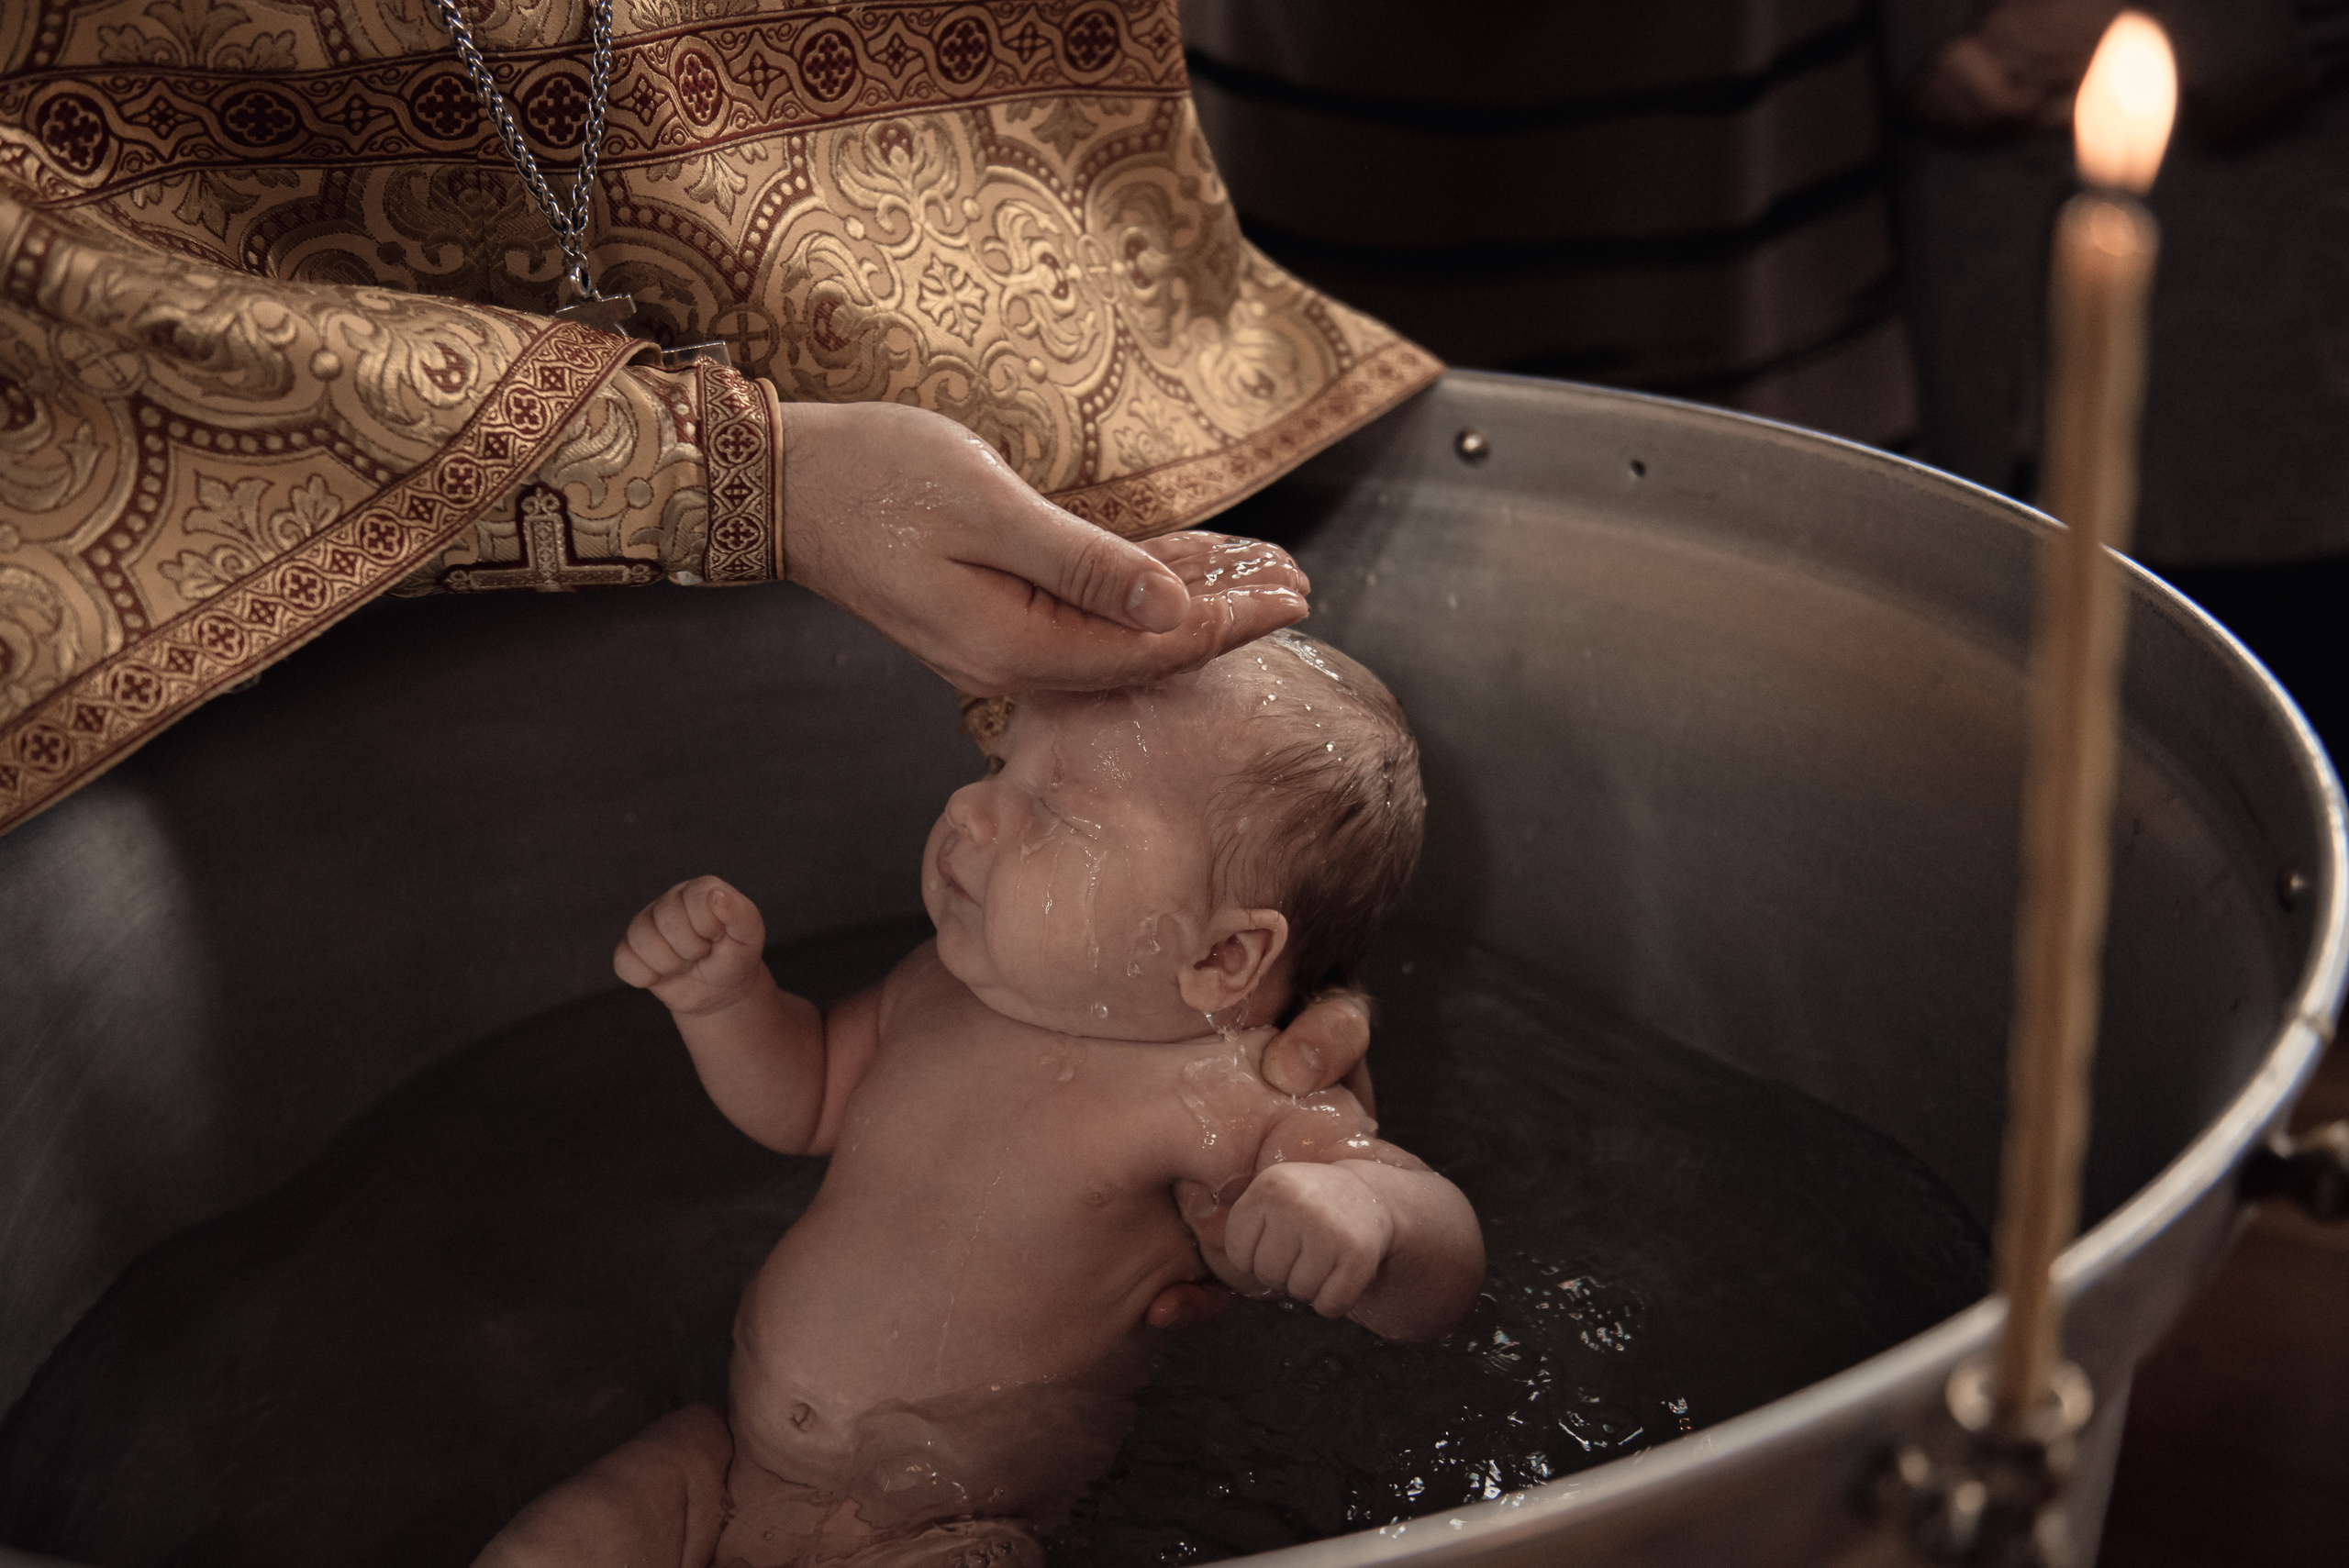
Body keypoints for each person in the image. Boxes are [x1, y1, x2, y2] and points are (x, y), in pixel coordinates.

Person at [473, 631, 1485, 1568]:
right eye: (1001, 765)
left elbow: (1443, 1270)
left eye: (1058, 809)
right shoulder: (938, 986)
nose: (969, 806)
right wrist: (726, 1002)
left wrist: (1366, 1216)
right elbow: (807, 1095)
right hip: (728, 1457)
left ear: (1223, 955)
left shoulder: (1229, 1093)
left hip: (941, 1524)